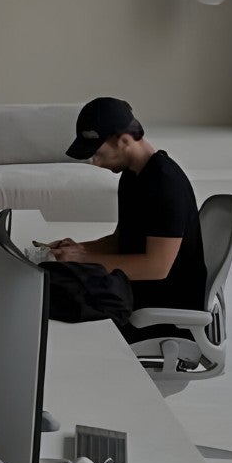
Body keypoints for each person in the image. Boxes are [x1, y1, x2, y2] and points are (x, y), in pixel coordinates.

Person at [47, 96, 206, 327]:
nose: (95, 163)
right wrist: (79, 249)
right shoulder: (132, 176)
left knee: (58, 305)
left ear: (122, 141)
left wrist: (84, 259)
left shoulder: (165, 182)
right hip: (133, 290)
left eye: (98, 153)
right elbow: (123, 241)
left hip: (161, 307)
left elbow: (157, 267)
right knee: (51, 283)